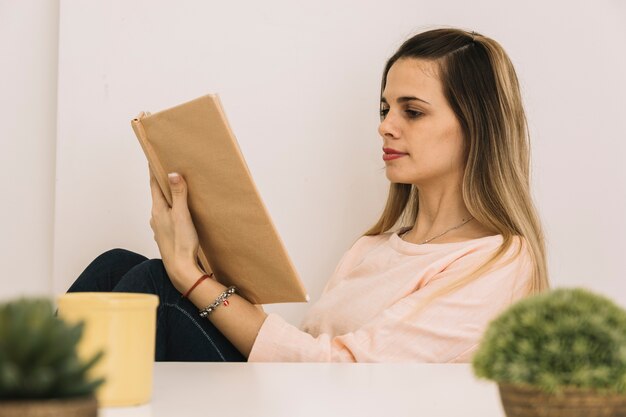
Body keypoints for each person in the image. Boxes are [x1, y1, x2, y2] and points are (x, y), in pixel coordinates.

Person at [67, 27, 549, 362]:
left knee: (158, 286)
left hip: (327, 402)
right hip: (299, 391)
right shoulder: (374, 246)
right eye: (384, 108)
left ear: (477, 127)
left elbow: (347, 372)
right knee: (116, 264)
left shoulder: (499, 260)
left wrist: (190, 279)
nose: (385, 126)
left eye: (413, 111)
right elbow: (305, 347)